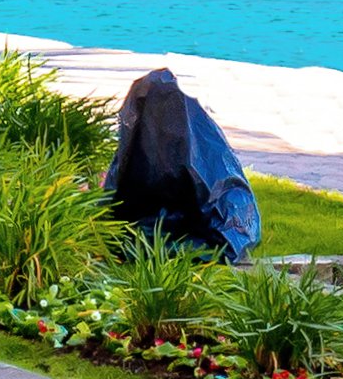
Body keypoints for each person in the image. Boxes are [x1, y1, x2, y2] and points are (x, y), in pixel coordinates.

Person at [106, 67, 261, 260]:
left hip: (191, 225)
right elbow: (115, 195)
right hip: (157, 223)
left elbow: (233, 218)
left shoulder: (205, 147)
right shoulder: (137, 146)